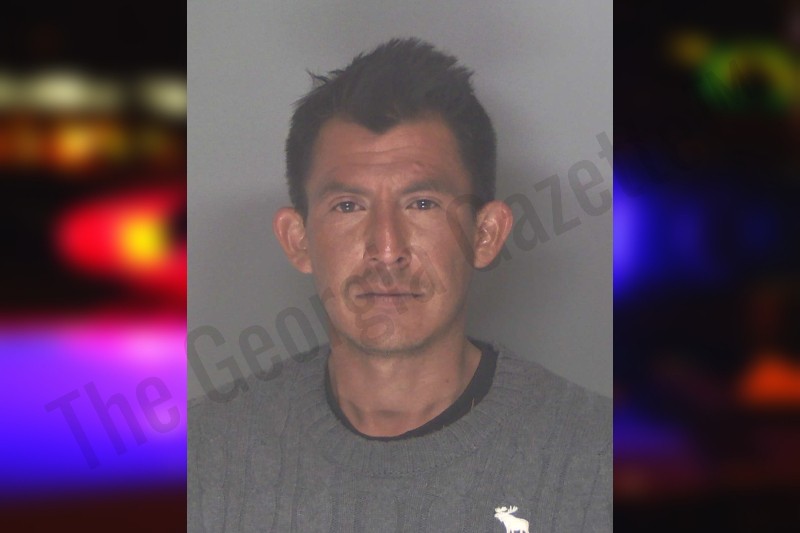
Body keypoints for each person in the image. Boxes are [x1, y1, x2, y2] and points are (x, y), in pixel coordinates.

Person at [189, 38, 611, 532]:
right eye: (348, 206)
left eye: (422, 204)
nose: (387, 248)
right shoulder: (199, 457)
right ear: (298, 240)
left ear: (485, 234)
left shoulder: (598, 457)